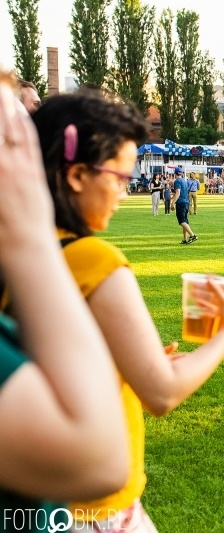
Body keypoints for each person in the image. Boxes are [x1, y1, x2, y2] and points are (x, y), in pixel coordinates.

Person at [32, 87, 224, 530]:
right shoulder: (95, 262)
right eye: (119, 178)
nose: (124, 194)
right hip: (99, 507)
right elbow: (162, 393)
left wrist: (124, 364)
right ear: (76, 175)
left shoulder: (25, 256)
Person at [0, 73, 129, 527]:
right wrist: (27, 238)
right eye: (16, 123)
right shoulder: (80, 255)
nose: (33, 143)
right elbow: (102, 463)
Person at [170, 167, 197, 244]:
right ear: (181, 173)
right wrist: (173, 196)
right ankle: (184, 239)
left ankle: (192, 235)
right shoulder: (184, 181)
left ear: (175, 174)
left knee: (181, 221)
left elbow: (178, 192)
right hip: (186, 202)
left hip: (181, 203)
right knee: (185, 221)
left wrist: (172, 203)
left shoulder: (177, 181)